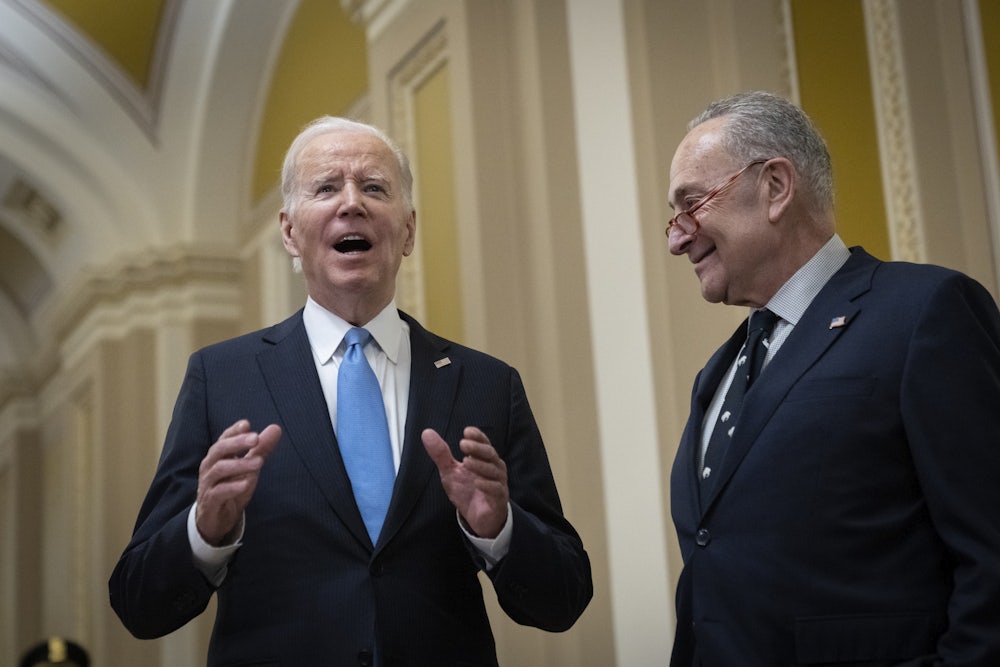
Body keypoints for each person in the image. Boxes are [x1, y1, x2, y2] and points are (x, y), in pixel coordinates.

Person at [109, 117, 592, 665]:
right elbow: (138, 603)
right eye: (326, 187)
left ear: (408, 231)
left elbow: (565, 599)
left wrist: (499, 529)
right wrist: (204, 529)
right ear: (290, 232)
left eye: (374, 187)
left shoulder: (485, 384)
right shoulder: (222, 378)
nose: (351, 203)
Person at [665, 91, 1000, 665]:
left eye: (692, 204)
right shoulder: (715, 375)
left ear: (775, 187)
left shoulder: (924, 313)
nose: (677, 237)